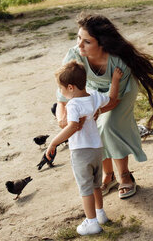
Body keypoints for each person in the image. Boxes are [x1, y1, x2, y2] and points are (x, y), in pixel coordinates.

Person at [56, 13, 153, 199]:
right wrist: (62, 118)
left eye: (86, 41)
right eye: (78, 38)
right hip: (92, 91)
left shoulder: (119, 62)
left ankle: (125, 175)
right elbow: (63, 94)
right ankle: (108, 176)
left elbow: (112, 101)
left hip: (119, 93)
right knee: (91, 127)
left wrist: (95, 112)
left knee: (108, 125)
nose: (79, 45)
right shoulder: (74, 56)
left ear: (102, 43)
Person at [46, 60, 122, 236]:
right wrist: (116, 80)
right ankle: (100, 213)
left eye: (62, 89)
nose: (62, 93)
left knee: (85, 189)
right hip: (97, 149)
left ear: (71, 87)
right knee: (96, 184)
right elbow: (112, 99)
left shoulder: (73, 104)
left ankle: (91, 222)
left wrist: (53, 142)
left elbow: (72, 126)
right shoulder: (94, 96)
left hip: (81, 151)